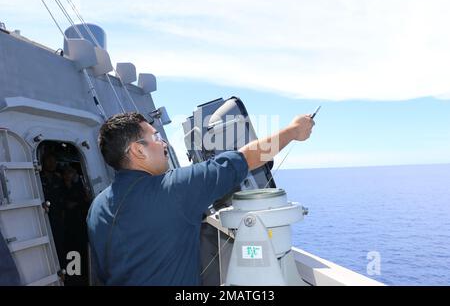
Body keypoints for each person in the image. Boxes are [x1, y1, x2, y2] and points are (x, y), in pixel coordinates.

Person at [87, 112, 314, 285]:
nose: (164, 143)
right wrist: (294, 131)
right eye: (156, 137)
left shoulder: (96, 207)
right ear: (138, 150)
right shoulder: (175, 190)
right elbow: (248, 157)